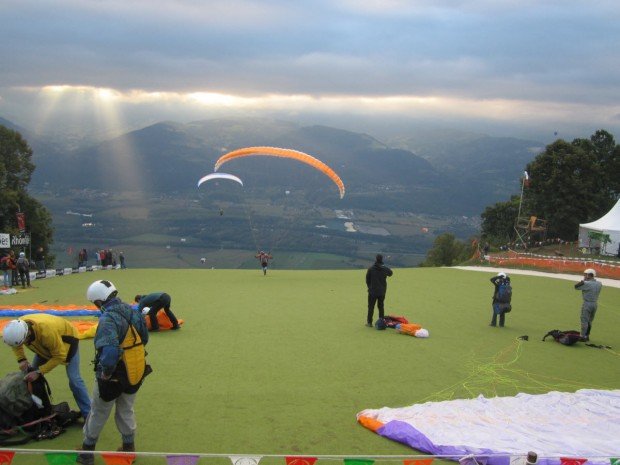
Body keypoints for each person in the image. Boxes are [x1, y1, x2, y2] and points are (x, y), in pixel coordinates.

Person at [77, 279, 150, 465]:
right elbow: (145, 338)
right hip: (135, 370)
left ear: (99, 302)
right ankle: (128, 449)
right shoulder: (132, 311)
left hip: (114, 375)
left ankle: (87, 452)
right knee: (126, 409)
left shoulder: (108, 319)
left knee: (99, 412)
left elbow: (109, 352)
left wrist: (106, 374)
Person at [2, 314, 91, 419]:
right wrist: (22, 359)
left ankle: (88, 415)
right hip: (43, 346)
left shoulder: (46, 332)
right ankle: (39, 411)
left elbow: (59, 356)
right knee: (30, 378)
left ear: (28, 334)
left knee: (74, 380)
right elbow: (16, 345)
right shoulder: (18, 327)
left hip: (67, 341)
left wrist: (39, 372)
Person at [574, 268, 603, 342]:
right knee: (590, 321)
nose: (584, 276)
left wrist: (583, 280)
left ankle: (582, 336)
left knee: (584, 320)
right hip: (595, 304)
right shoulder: (599, 283)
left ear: (588, 275)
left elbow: (576, 287)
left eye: (585, 274)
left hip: (587, 304)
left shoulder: (587, 283)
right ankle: (587, 335)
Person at [365, 254, 393, 327]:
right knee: (381, 306)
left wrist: (369, 287)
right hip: (382, 291)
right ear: (381, 259)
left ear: (376, 259)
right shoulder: (384, 268)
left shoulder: (371, 269)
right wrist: (385, 267)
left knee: (371, 307)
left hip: (372, 292)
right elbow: (390, 273)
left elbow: (367, 280)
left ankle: (369, 322)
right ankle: (381, 323)